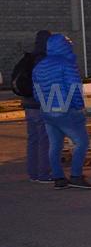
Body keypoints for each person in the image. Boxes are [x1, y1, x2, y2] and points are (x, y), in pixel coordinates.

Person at [32, 34, 91, 189]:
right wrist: (79, 106)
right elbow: (74, 88)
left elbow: (36, 91)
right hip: (66, 110)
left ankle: (59, 178)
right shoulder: (67, 64)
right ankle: (76, 176)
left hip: (47, 111)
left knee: (55, 145)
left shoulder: (39, 65)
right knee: (82, 142)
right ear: (64, 46)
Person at [11, 30, 52, 183]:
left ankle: (33, 173)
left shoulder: (29, 58)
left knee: (33, 139)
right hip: (41, 105)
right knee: (45, 139)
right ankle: (44, 174)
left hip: (28, 104)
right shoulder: (45, 60)